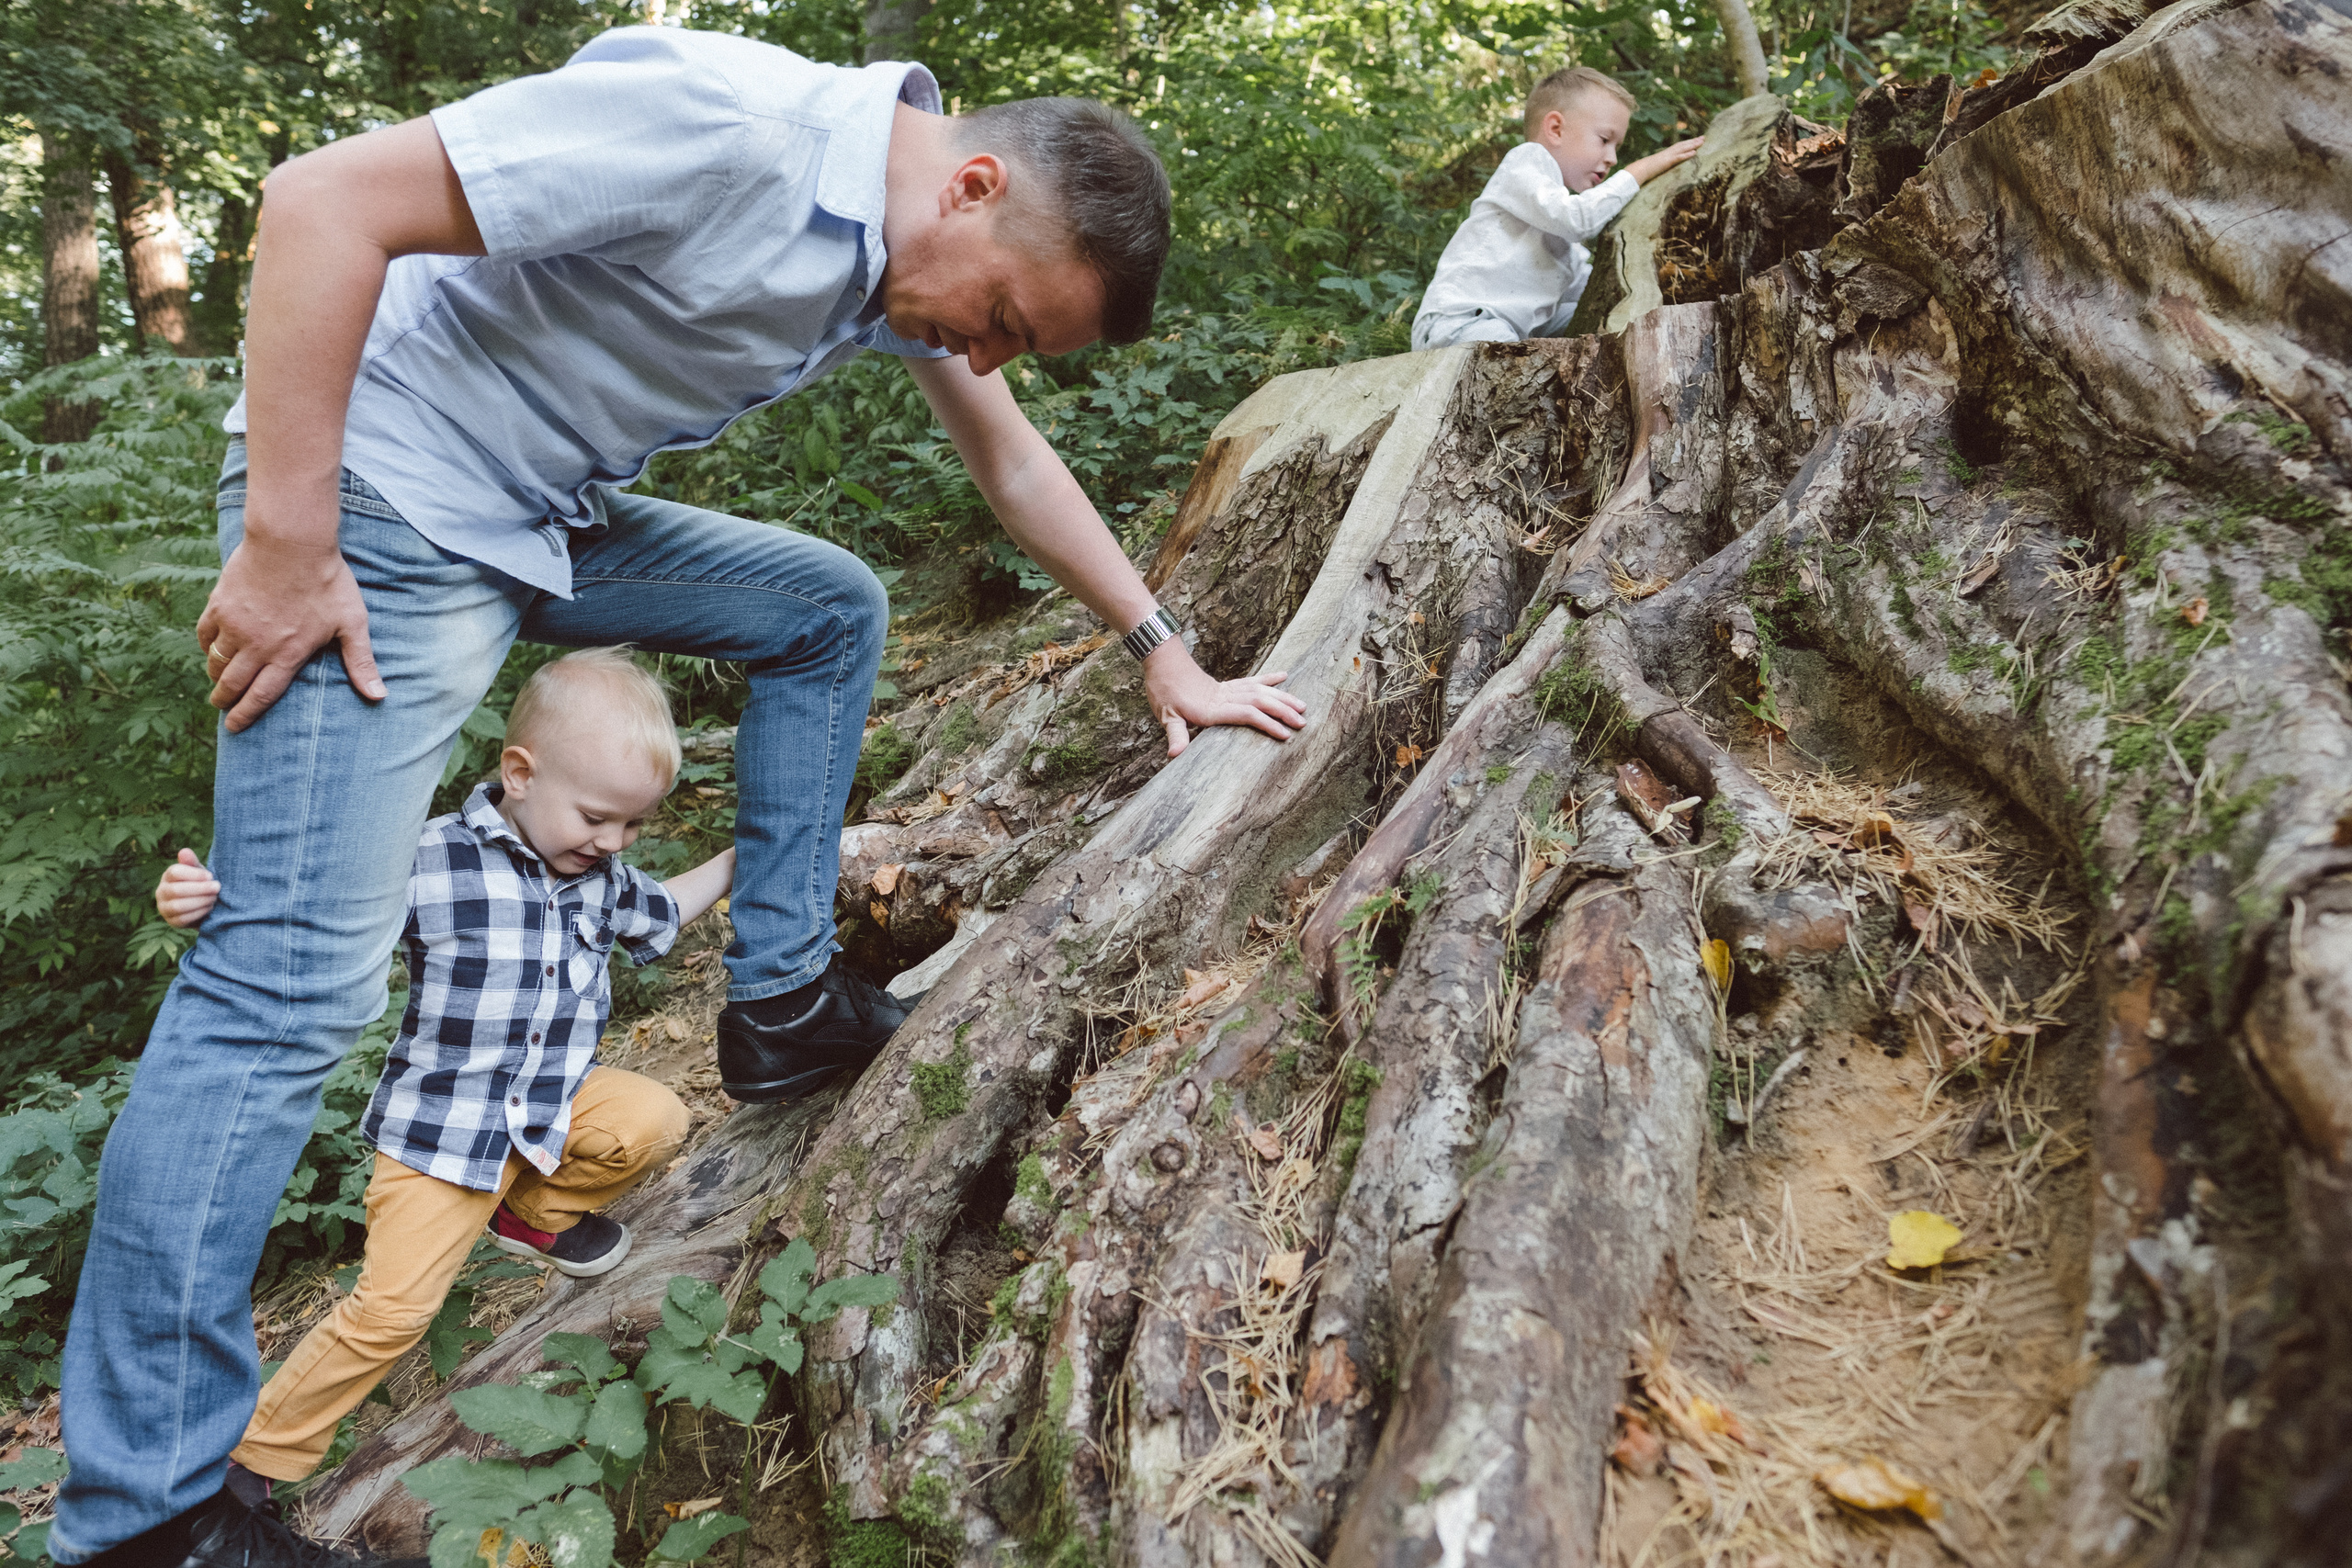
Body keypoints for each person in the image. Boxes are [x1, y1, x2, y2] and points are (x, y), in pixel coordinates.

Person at [53, 24, 1306, 1568]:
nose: (984, 357)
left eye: (1012, 346)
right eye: (1001, 321)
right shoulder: (730, 133)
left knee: (825, 607)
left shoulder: (894, 248)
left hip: (530, 511)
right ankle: (149, 1513)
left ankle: (779, 998)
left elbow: (1016, 465)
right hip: (379, 503)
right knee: (286, 987)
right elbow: (324, 199)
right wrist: (287, 540)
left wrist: (1163, 650)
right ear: (973, 185)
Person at [151, 649, 733, 1504]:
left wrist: (740, 858)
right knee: (391, 1312)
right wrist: (209, 901)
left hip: (544, 1112)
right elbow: (309, 911)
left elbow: (664, 910)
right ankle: (247, 1462)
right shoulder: (429, 857)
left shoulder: (600, 877)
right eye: (598, 817)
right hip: (440, 1137)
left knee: (652, 1118)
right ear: (520, 773)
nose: (613, 842)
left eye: (634, 826)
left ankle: (531, 1214)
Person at [1411, 66, 1704, 351]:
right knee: (1510, 356)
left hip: (1513, 327)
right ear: (1555, 129)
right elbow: (1578, 219)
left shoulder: (1562, 235)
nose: (1612, 158)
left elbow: (1591, 288)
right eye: (1604, 140)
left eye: (1616, 147)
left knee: (1599, 317)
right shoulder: (1526, 162)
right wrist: (1639, 171)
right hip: (1462, 322)